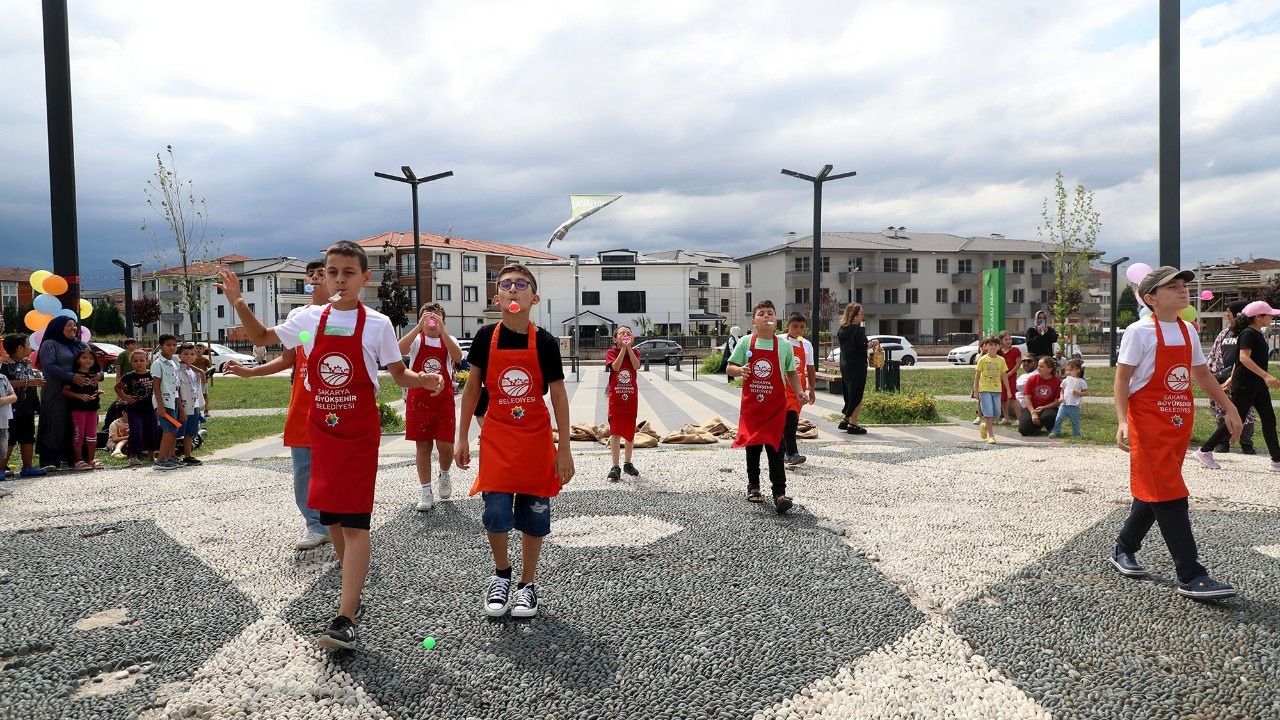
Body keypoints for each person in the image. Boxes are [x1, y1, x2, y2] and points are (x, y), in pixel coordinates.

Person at [218, 241, 443, 650]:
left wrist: (424, 380)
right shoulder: (309, 319)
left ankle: (346, 617)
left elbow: (398, 373)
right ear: (324, 275)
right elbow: (264, 337)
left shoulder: (377, 324)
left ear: (364, 278)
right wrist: (238, 303)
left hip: (358, 435)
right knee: (334, 520)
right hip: (321, 431)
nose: (340, 280)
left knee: (355, 524)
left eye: (348, 273)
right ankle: (351, 581)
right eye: (333, 272)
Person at [1112, 266, 1241, 600]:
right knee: (1170, 492)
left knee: (1156, 487)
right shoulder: (1139, 332)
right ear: (1151, 298)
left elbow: (1202, 375)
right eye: (1173, 287)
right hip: (1147, 423)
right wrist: (1122, 420)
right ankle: (1191, 574)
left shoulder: (1188, 330)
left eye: (1183, 285)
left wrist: (1230, 407)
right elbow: (1122, 379)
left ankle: (1124, 547)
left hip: (1177, 423)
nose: (1182, 290)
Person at [455, 263, 573, 620]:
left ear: (533, 297)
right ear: (497, 298)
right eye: (505, 285)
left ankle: (527, 585)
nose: (513, 289)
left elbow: (558, 395)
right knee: (495, 510)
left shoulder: (546, 342)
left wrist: (564, 448)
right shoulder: (484, 337)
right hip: (497, 439)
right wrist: (462, 436)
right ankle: (502, 574)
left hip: (536, 442)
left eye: (521, 284)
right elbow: (473, 387)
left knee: (535, 515)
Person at [224, 259, 332, 550]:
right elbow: (287, 359)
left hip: (337, 404)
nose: (316, 277)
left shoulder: (347, 314)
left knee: (334, 468)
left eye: (324, 273)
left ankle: (340, 521)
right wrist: (250, 371)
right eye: (312, 274)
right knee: (304, 469)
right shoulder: (300, 316)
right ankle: (315, 524)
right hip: (304, 404)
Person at [726, 299, 808, 514]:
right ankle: (753, 487)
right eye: (761, 313)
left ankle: (779, 493)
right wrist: (739, 371)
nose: (766, 316)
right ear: (754, 321)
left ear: (776, 320)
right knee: (753, 447)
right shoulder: (745, 343)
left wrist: (799, 391)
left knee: (775, 448)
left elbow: (791, 372)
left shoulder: (784, 346)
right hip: (753, 406)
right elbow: (729, 367)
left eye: (770, 313)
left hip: (775, 406)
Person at [1194, 300, 1280, 472]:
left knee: (1269, 420)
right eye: (1269, 314)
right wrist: (1266, 375)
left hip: (1255, 384)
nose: (1272, 316)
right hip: (1247, 384)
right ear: (1258, 317)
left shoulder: (1256, 333)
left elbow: (1236, 362)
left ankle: (1276, 461)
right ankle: (1204, 451)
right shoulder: (1248, 334)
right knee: (1235, 420)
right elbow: (1243, 359)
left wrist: (1231, 379)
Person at [399, 302, 463, 510]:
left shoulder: (449, 339)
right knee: (423, 446)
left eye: (437, 315)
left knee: (445, 445)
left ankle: (444, 474)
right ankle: (426, 490)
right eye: (428, 315)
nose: (432, 319)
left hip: (443, 399)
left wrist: (442, 331)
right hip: (419, 399)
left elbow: (457, 357)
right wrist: (418, 327)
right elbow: (398, 350)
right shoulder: (417, 340)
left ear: (444, 320)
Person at [37, 315, 97, 471]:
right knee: (55, 423)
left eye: (74, 325)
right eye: (68, 325)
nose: (73, 328)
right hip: (56, 390)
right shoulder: (50, 344)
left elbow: (94, 361)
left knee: (77, 424)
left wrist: (100, 375)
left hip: (80, 392)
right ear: (58, 327)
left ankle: (76, 459)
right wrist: (71, 377)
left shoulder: (80, 344)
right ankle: (50, 459)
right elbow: (49, 365)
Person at [1206, 300, 1256, 454]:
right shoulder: (1224, 333)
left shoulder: (1249, 333)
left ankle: (1246, 443)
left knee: (1245, 411)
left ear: (1239, 314)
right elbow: (1213, 354)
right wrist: (1210, 373)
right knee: (1222, 410)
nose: (1227, 314)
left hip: (1241, 379)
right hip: (1222, 379)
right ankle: (1223, 442)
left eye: (1229, 311)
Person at [0, 335, 46, 478]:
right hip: (12, 408)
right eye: (27, 344)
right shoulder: (6, 365)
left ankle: (27, 467)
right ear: (20, 348)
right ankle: (1, 468)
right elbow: (6, 383)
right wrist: (28, 382)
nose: (31, 348)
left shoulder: (26, 363)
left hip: (27, 406)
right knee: (10, 438)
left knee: (28, 437)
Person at [604, 325, 641, 481]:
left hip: (631, 396)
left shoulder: (636, 352)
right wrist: (623, 350)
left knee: (630, 430)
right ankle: (615, 465)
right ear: (615, 339)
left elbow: (636, 366)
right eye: (621, 333)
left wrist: (629, 348)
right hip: (616, 398)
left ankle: (628, 462)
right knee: (615, 431)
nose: (625, 335)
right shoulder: (611, 353)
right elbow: (616, 366)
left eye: (628, 333)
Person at [836, 303, 878, 434]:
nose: (862, 315)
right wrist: (873, 343)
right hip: (857, 366)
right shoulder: (857, 330)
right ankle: (853, 423)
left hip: (845, 365)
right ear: (854, 316)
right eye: (861, 313)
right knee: (857, 395)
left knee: (849, 393)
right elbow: (862, 347)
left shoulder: (842, 330)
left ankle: (846, 418)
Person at [781, 312, 816, 463]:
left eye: (802, 327)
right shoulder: (780, 341)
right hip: (781, 387)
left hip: (797, 390)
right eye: (795, 326)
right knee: (785, 420)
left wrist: (812, 389)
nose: (798, 330)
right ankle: (790, 452)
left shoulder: (807, 345)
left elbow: (811, 368)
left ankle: (786, 452)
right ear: (787, 325)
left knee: (792, 420)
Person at [63, 347, 103, 470]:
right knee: (78, 435)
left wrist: (97, 392)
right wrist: (79, 396)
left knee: (92, 435)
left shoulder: (95, 375)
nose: (88, 360)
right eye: (84, 358)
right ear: (78, 360)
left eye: (91, 358)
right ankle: (78, 461)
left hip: (93, 409)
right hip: (78, 410)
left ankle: (91, 460)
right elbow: (65, 391)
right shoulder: (74, 376)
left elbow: (92, 389)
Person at [115, 350, 158, 467]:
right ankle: (133, 456)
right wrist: (125, 397)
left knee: (151, 432)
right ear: (131, 362)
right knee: (136, 432)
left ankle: (151, 456)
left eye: (141, 360)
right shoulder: (129, 376)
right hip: (134, 410)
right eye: (135, 361)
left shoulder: (153, 375)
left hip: (150, 409)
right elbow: (117, 387)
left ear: (147, 362)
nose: (139, 363)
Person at [150, 334, 182, 471]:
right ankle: (160, 460)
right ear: (161, 347)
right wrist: (160, 405)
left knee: (171, 430)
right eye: (168, 345)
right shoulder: (158, 364)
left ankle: (169, 456)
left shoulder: (175, 362)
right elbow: (156, 386)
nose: (172, 348)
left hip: (173, 399)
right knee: (170, 429)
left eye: (174, 345)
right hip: (164, 401)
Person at [973, 337, 1009, 445]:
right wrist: (976, 390)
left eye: (995, 345)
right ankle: (991, 436)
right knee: (988, 413)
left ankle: (985, 425)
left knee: (997, 413)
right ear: (986, 346)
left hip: (997, 389)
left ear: (999, 347)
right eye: (991, 344)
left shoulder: (1001, 360)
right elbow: (977, 375)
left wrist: (1008, 389)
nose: (993, 347)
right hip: (984, 389)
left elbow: (1004, 376)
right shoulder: (982, 359)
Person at [177, 343, 208, 465]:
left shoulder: (194, 372)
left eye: (192, 354)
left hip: (194, 405)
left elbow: (196, 391)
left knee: (190, 432)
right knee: (177, 433)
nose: (189, 357)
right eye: (185, 354)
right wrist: (180, 409)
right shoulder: (177, 371)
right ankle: (171, 455)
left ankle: (188, 455)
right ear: (180, 355)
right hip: (184, 406)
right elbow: (178, 392)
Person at [1019, 356, 1062, 436]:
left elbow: (1057, 402)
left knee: (1048, 416)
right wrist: (1033, 413)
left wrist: (1044, 407)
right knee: (1023, 430)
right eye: (1038, 366)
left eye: (1041, 366)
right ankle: (1037, 427)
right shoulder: (1032, 379)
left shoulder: (1057, 382)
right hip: (1032, 407)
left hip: (1048, 408)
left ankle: (1050, 428)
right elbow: (1027, 398)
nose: (1038, 368)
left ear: (1049, 369)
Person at [1049, 359, 1088, 439]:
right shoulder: (1065, 381)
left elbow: (1085, 392)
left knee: (1075, 421)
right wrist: (1061, 397)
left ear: (1077, 370)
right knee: (1059, 418)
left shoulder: (1081, 382)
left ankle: (1077, 434)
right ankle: (1055, 431)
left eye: (1071, 370)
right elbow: (1062, 390)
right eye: (1067, 370)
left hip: (1075, 405)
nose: (1068, 372)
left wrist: (1078, 393)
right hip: (1064, 404)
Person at [997, 331, 1021, 425]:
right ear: (1001, 341)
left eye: (1009, 339)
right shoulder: (1000, 352)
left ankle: (1019, 418)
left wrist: (1010, 374)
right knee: (1003, 397)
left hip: (1011, 376)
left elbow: (1018, 364)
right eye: (1006, 339)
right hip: (1001, 377)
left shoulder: (1015, 350)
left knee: (1012, 397)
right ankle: (1006, 417)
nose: (1008, 341)